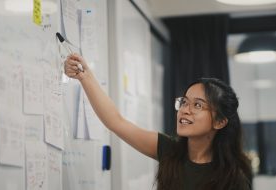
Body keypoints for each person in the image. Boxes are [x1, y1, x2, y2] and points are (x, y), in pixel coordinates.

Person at [64, 53, 252, 190]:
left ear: (219, 122)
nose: (185, 110)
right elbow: (116, 122)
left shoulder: (233, 178)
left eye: (198, 105)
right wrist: (85, 77)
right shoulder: (169, 150)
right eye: (184, 102)